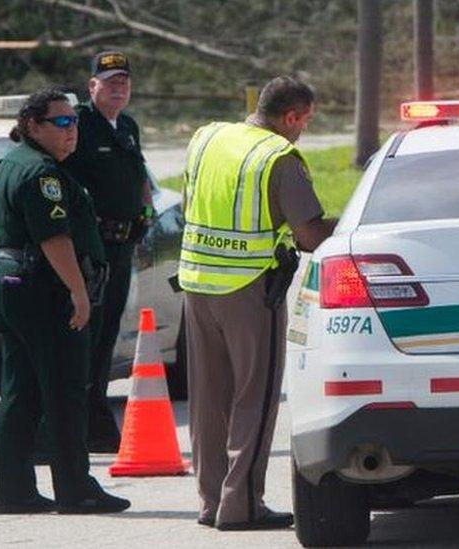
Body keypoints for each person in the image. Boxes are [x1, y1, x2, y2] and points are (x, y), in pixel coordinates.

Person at [179, 76, 334, 530]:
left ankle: (210, 502)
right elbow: (309, 235)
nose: (303, 129)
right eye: (304, 121)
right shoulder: (278, 157)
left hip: (196, 283)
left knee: (209, 399)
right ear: (290, 117)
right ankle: (242, 506)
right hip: (247, 289)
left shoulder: (208, 138)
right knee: (256, 398)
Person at [0, 88, 130, 514]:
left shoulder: (7, 164)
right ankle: (75, 488)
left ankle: (14, 490)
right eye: (62, 123)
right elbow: (55, 238)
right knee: (66, 388)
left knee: (22, 388)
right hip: (44, 286)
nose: (73, 131)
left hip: (10, 277)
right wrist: (78, 292)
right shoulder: (42, 174)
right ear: (33, 125)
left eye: (75, 122)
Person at [63, 50, 154, 454]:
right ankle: (79, 424)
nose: (118, 87)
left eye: (124, 81)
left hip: (123, 246)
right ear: (92, 86)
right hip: (91, 250)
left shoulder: (127, 126)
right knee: (89, 336)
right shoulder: (78, 124)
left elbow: (138, 178)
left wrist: (146, 211)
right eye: (110, 80)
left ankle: (94, 421)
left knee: (106, 338)